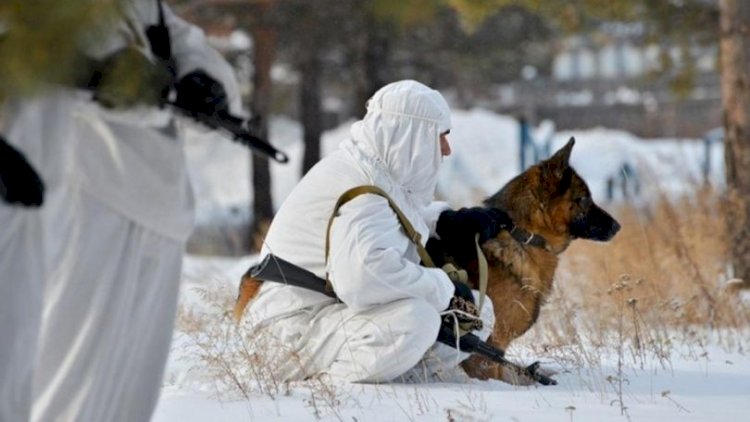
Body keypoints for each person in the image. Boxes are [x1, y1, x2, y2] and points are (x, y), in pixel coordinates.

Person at [0, 0, 242, 420]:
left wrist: (204, 80)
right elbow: (46, 58)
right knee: (69, 389)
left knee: (130, 399)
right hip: (89, 195)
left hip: (160, 205)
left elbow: (175, 37)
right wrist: (115, 78)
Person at [246, 80, 510, 383]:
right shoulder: (362, 190)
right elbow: (363, 277)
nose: (446, 150)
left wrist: (448, 221)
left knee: (476, 313)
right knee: (418, 319)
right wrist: (445, 291)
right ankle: (328, 390)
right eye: (440, 137)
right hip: (289, 329)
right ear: (410, 136)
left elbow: (392, 216)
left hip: (322, 316)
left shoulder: (370, 172)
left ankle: (396, 374)